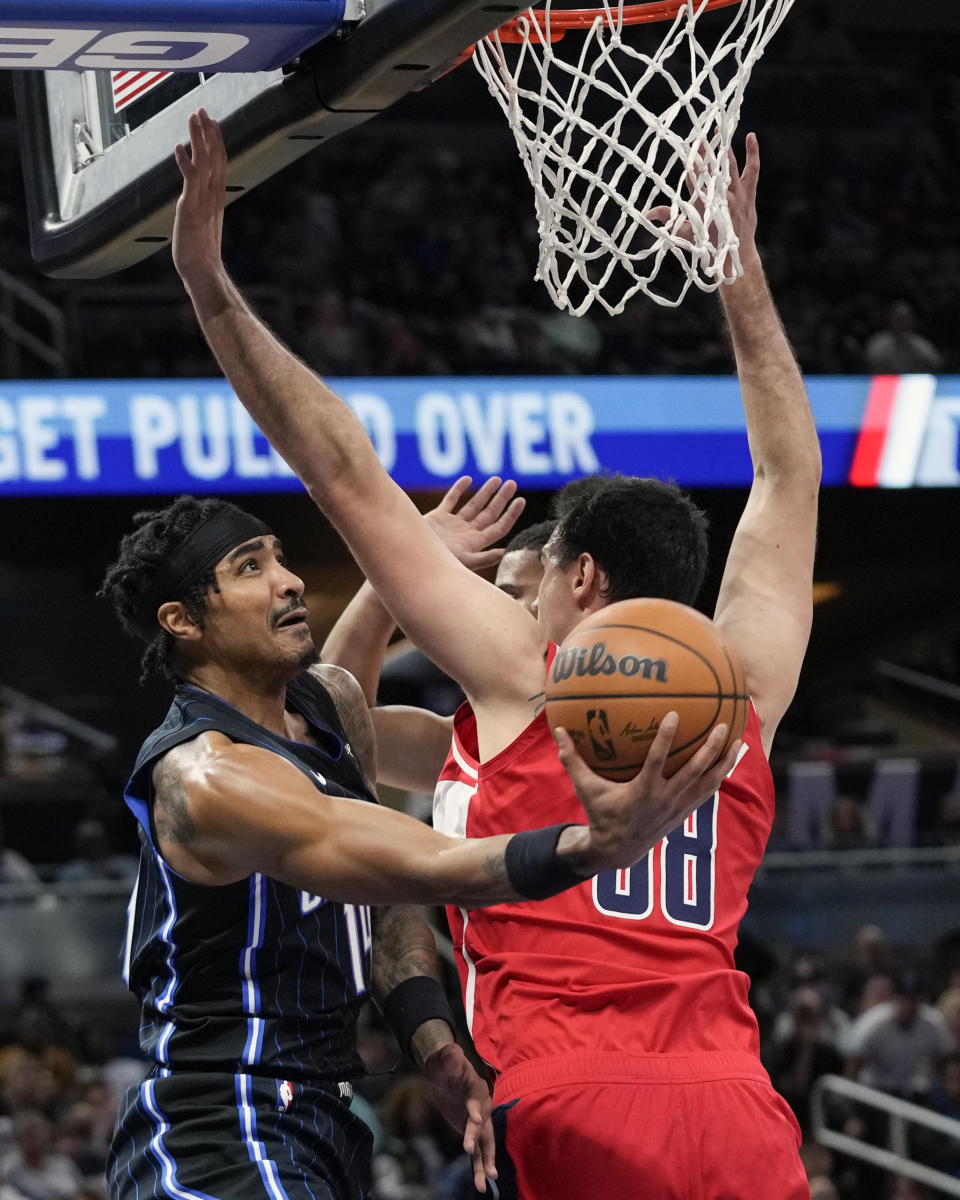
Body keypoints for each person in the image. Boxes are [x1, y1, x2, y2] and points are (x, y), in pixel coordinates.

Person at [170, 110, 818, 1198]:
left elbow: (344, 473)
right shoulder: (743, 689)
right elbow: (788, 476)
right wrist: (735, 267)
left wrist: (207, 283)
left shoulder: (532, 677)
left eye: (531, 570)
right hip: (737, 1102)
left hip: (574, 1096)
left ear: (580, 581)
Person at [98, 482, 737, 1200]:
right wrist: (591, 846)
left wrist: (430, 1038)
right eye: (250, 567)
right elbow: (427, 864)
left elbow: (389, 894)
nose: (289, 579)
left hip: (324, 1114)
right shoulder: (205, 776)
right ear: (182, 620)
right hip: (218, 1116)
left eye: (280, 557)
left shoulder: (328, 708)